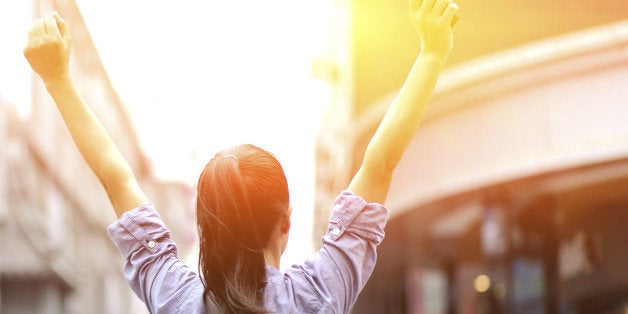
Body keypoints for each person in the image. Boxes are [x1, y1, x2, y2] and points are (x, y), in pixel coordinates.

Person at [23, 0, 458, 312]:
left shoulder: (175, 297)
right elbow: (378, 163)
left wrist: (58, 78)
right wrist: (432, 54)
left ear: (202, 226)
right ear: (285, 221)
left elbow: (115, 176)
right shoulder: (319, 293)